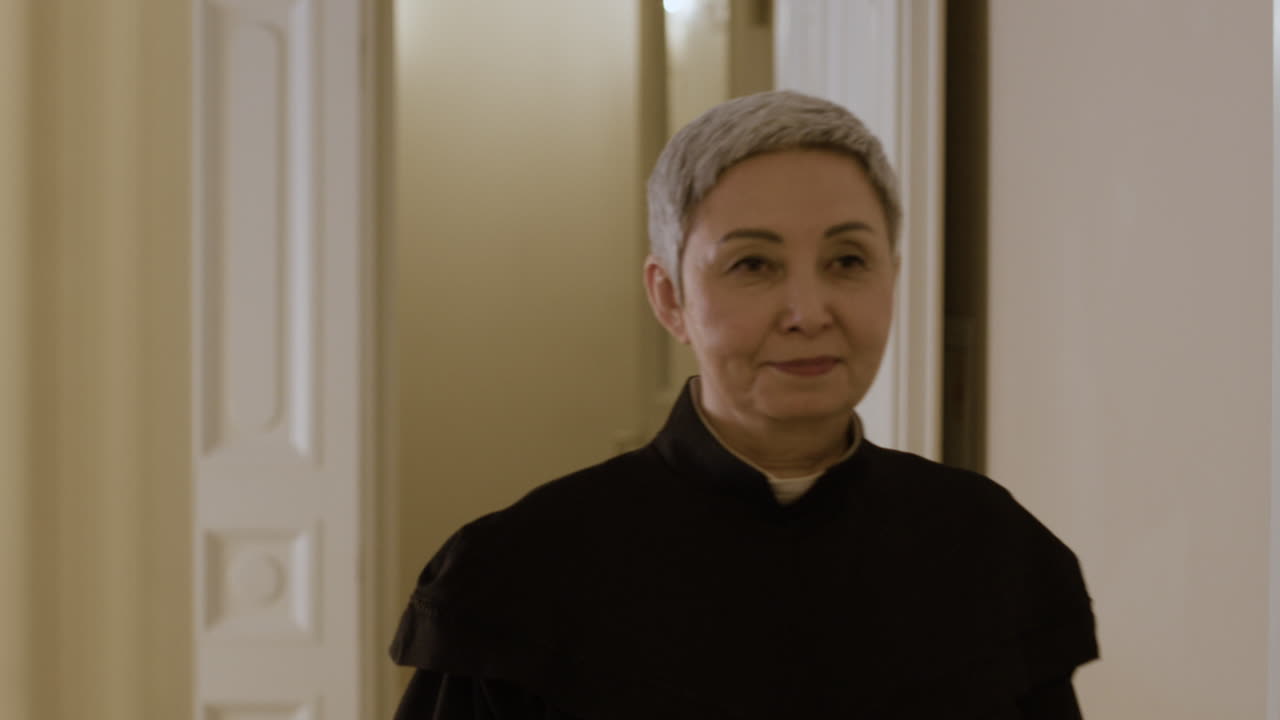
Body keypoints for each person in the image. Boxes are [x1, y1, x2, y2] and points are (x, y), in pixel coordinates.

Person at [389, 89, 1099, 719]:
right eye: (753, 265)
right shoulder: (517, 576)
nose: (808, 312)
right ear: (671, 297)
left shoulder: (990, 551)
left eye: (847, 261)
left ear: (892, 277)